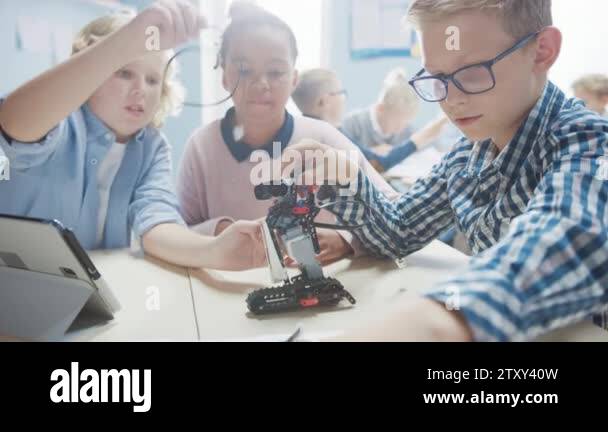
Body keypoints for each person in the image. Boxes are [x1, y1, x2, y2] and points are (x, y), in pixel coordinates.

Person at [288, 0, 608, 341]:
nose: (450, 99)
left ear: (542, 51)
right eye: (437, 77)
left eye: (471, 71)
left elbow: (566, 241)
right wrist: (346, 177)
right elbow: (398, 229)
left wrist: (434, 322)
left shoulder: (587, 142)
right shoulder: (468, 154)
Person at [0, 1, 266, 271]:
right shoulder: (59, 122)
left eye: (153, 80)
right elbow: (14, 121)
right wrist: (124, 43)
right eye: (124, 72)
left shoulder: (151, 147)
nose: (141, 90)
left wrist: (213, 251)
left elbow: (157, 221)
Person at [177, 4, 399, 266]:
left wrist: (346, 240)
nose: (261, 84)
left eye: (276, 72)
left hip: (324, 290)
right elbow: (177, 231)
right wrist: (217, 231)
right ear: (224, 76)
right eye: (245, 70)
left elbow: (395, 210)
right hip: (227, 291)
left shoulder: (323, 139)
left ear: (294, 79)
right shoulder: (201, 147)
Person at [292, 67, 448, 172]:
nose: (343, 99)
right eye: (340, 93)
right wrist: (423, 137)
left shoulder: (303, 129)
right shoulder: (329, 134)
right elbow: (379, 163)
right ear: (323, 102)